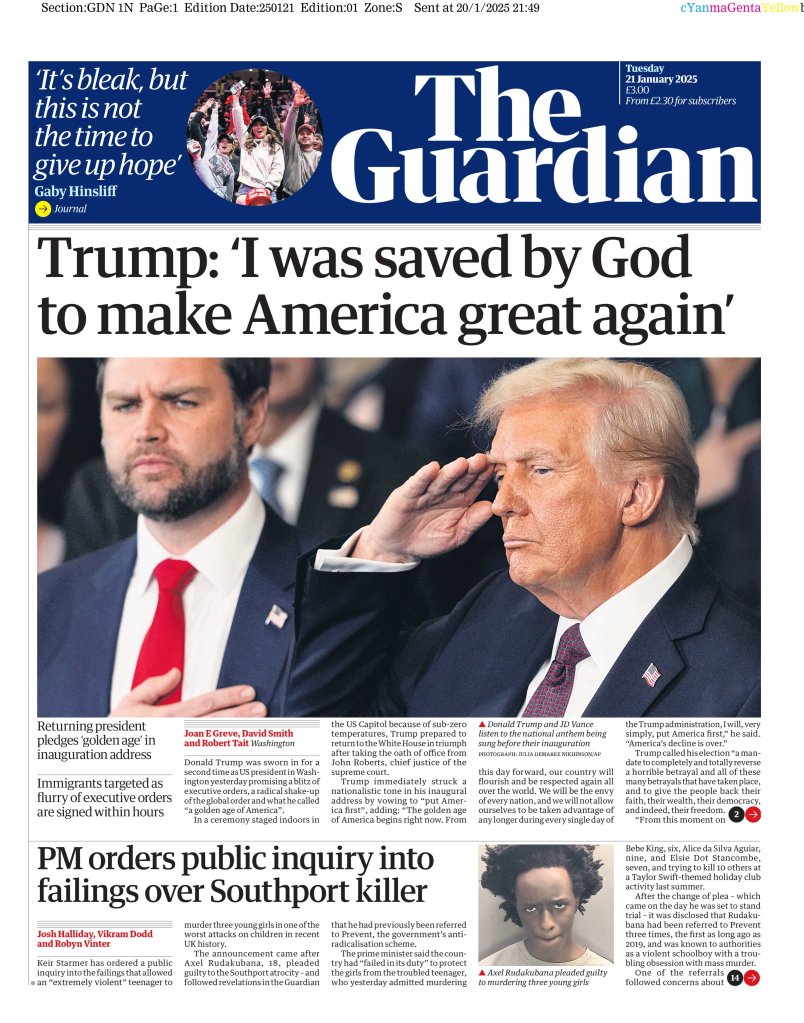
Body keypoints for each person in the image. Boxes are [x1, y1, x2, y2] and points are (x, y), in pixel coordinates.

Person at [289, 358, 760, 717]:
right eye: (499, 475)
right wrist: (381, 552)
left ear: (636, 496)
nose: (502, 503)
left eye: (540, 470)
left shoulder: (749, 683)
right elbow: (326, 728)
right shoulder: (495, 608)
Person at [38, 358, 307, 718]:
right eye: (126, 405)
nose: (146, 429)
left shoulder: (339, 596)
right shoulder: (39, 607)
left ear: (252, 415)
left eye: (181, 401)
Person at [479, 845, 612, 967]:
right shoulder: (487, 969)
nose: (546, 924)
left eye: (559, 905)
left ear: (576, 900)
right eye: (531, 908)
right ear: (516, 906)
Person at [230, 82, 284, 204]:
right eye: (255, 125)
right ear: (252, 128)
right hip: (246, 189)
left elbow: (278, 169)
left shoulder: (275, 146)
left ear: (267, 127)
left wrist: (268, 188)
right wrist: (235, 99)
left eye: (262, 125)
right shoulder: (245, 142)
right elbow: (238, 122)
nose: (259, 127)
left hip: (268, 189)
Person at [281, 82, 321, 197]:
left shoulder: (319, 156)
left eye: (309, 133)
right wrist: (295, 107)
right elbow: (288, 131)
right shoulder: (292, 151)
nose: (305, 135)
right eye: (301, 133)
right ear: (296, 138)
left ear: (315, 138)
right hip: (289, 194)